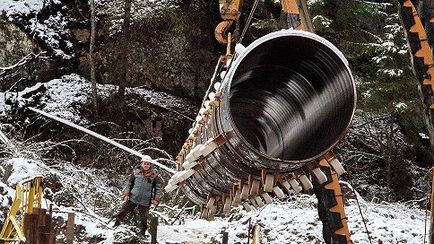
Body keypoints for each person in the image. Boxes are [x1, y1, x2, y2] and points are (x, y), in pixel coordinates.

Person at [113, 155, 162, 235]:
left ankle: (142, 232)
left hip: (145, 200)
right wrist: (126, 194)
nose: (146, 165)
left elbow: (158, 188)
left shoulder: (154, 176)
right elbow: (129, 183)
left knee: (144, 218)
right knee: (123, 210)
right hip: (133, 197)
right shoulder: (136, 172)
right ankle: (116, 223)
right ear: (141, 164)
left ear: (150, 165)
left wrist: (156, 199)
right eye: (144, 163)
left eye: (148, 164)